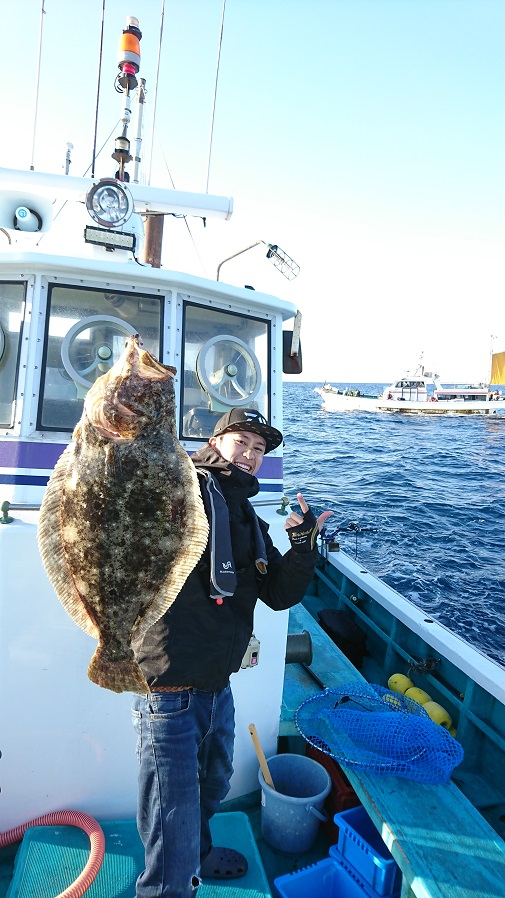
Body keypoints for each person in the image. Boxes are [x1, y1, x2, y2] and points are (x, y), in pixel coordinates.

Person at [132, 407, 332, 898]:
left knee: (214, 783)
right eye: (241, 442)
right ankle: (166, 887)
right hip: (171, 686)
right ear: (216, 441)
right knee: (170, 815)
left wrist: (304, 547)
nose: (250, 455)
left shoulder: (246, 515)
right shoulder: (187, 489)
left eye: (259, 449)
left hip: (216, 685)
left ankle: (196, 858)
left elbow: (279, 594)